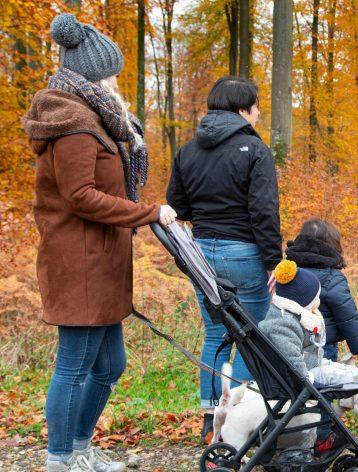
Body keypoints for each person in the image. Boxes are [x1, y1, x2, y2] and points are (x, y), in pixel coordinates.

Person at [22, 13, 177, 472]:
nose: (116, 81)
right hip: (80, 263)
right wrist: (148, 213)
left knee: (109, 366)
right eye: (111, 72)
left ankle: (80, 447)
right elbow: (80, 196)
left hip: (102, 263)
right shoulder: (73, 124)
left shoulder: (95, 118)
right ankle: (61, 460)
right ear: (92, 75)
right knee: (73, 367)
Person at [166, 76, 282, 442]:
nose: (259, 112)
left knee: (216, 333)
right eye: (257, 105)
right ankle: (240, 417)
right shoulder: (255, 150)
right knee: (250, 335)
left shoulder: (187, 151)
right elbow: (263, 211)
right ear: (242, 109)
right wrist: (272, 261)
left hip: (201, 254)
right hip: (244, 253)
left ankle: (208, 416)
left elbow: (177, 205)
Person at [259, 260, 358, 453]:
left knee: (332, 366)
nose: (318, 302)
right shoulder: (283, 325)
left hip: (304, 368)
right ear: (301, 301)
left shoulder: (288, 316)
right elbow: (291, 358)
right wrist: (307, 379)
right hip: (298, 378)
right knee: (328, 374)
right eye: (316, 299)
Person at [285, 219, 358, 361]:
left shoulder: (289, 271)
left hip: (290, 341)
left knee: (296, 377)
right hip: (322, 344)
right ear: (332, 245)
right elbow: (347, 313)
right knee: (322, 378)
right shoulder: (333, 277)